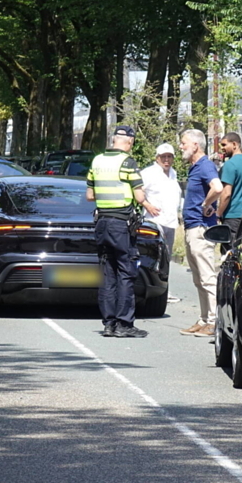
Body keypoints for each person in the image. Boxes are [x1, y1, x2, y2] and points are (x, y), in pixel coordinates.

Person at [86, 125, 152, 339]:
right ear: (129, 142)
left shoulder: (97, 161)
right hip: (121, 223)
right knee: (126, 271)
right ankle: (124, 324)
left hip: (102, 222)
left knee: (107, 273)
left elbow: (89, 195)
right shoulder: (127, 163)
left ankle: (108, 323)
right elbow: (140, 197)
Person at [178, 128, 223, 338]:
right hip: (191, 227)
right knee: (198, 278)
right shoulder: (195, 167)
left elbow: (218, 187)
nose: (181, 147)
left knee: (206, 276)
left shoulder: (205, 166)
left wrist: (206, 203)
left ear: (196, 145)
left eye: (184, 143)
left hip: (200, 228)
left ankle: (214, 321)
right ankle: (204, 319)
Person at [140, 143, 182, 251]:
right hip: (154, 223)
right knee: (152, 256)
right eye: (163, 156)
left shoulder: (173, 173)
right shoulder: (148, 173)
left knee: (166, 258)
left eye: (169, 156)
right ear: (157, 158)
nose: (166, 159)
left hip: (170, 224)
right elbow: (136, 191)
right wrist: (147, 205)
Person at [216, 132, 242, 236]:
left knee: (229, 250)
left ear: (234, 144)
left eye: (224, 145)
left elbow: (226, 194)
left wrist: (218, 214)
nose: (222, 148)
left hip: (233, 216)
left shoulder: (230, 164)